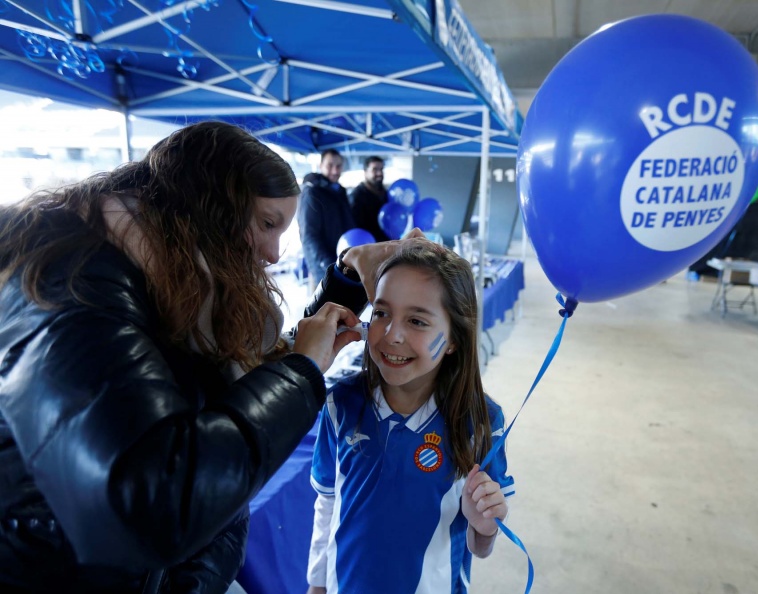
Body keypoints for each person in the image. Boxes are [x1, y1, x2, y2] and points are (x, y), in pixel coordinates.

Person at [0, 121, 416, 593]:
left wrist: (341, 283)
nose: (275, 254)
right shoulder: (73, 287)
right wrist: (302, 373)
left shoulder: (167, 271)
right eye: (265, 224)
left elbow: (238, 358)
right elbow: (153, 503)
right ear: (211, 209)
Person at [306, 242, 514, 593]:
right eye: (382, 313)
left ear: (453, 339)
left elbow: (480, 548)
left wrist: (486, 527)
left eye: (417, 321)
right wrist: (316, 584)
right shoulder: (339, 404)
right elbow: (327, 504)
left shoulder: (480, 422)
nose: (392, 335)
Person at [297, 149, 355, 288]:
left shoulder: (340, 191)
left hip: (342, 264)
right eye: (330, 165)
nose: (335, 171)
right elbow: (309, 235)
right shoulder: (312, 192)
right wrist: (328, 264)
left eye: (338, 166)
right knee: (324, 308)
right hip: (324, 268)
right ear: (320, 166)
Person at [349, 156, 390, 242]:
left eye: (381, 169)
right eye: (375, 170)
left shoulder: (386, 194)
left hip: (387, 246)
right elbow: (355, 227)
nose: (379, 173)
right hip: (368, 247)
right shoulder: (357, 196)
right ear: (365, 172)